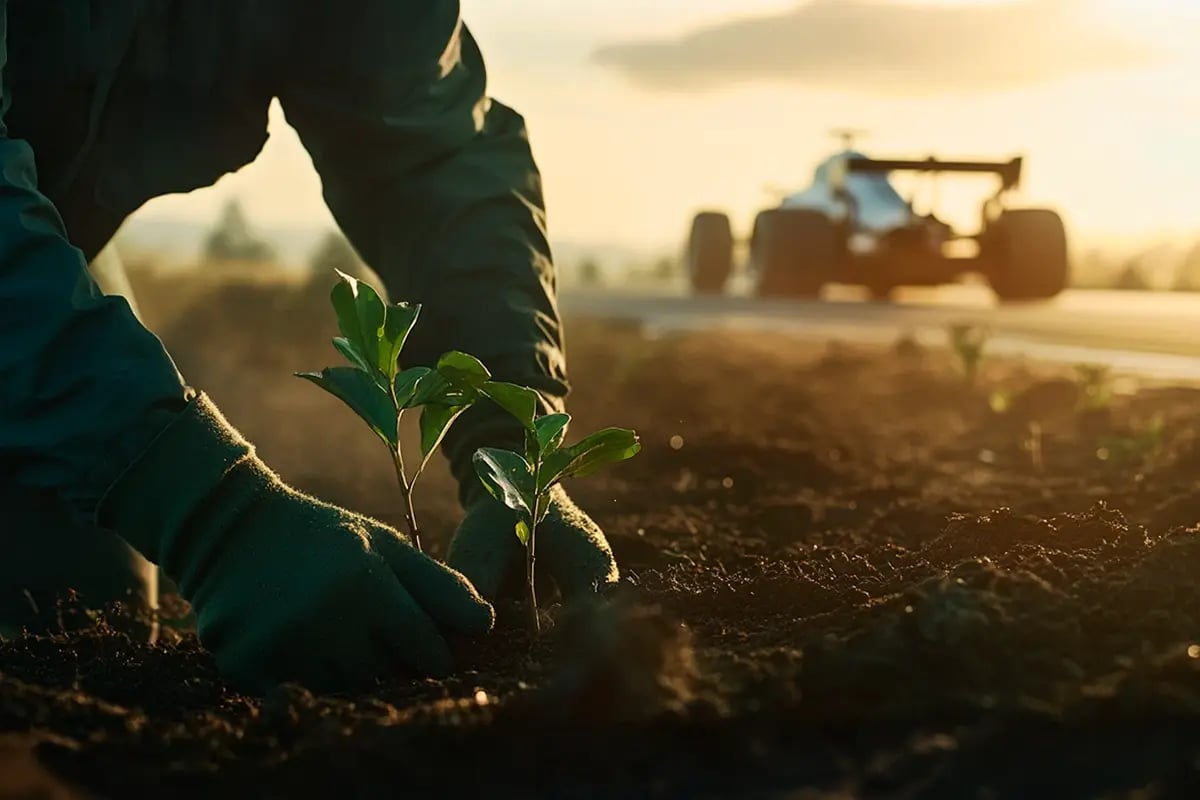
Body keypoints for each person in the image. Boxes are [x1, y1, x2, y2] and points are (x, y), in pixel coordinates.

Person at [0, 1, 618, 692]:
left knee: (71, 609)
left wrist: (512, 442)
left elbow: (429, 157)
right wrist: (215, 515)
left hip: (39, 244)